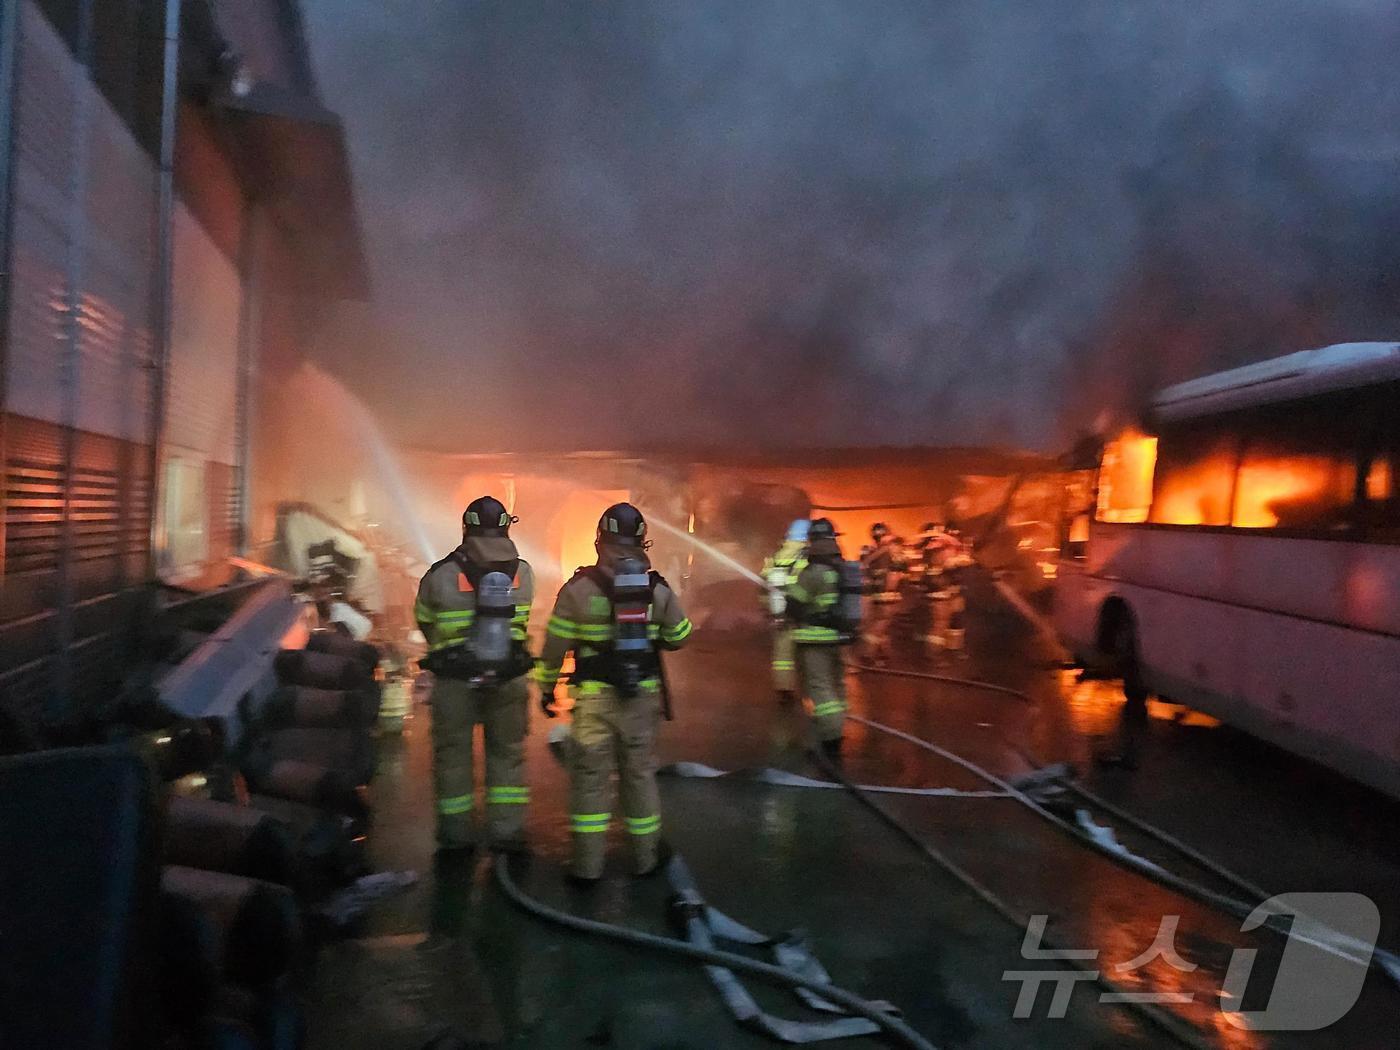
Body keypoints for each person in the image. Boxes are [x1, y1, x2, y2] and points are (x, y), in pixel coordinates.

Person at [533, 503, 692, 882]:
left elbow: (555, 646)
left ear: (599, 541)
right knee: (638, 775)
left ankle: (587, 868)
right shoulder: (656, 588)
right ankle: (645, 860)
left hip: (595, 699)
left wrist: (546, 686)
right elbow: (680, 637)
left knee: (590, 779)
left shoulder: (578, 589)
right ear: (641, 543)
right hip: (642, 697)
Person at [415, 496, 534, 853]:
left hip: (455, 681)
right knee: (507, 755)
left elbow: (424, 619)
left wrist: (447, 647)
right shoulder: (523, 571)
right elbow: (524, 618)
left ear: (465, 527)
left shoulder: (440, 573)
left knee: (453, 757)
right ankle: (507, 832)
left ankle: (455, 836)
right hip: (509, 677)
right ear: (505, 526)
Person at [784, 517, 848, 760]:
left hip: (814, 640)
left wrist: (788, 603)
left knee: (821, 691)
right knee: (836, 687)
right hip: (837, 638)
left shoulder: (812, 572)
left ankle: (830, 741)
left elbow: (795, 604)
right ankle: (836, 730)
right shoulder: (840, 567)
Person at [760, 519, 810, 704]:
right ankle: (808, 691)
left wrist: (768, 609)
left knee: (783, 655)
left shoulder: (775, 556)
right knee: (806, 652)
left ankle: (784, 689)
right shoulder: (805, 556)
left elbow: (764, 585)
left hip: (779, 612)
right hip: (800, 612)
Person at [859, 522, 906, 666]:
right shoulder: (894, 553)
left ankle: (885, 655)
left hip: (872, 595)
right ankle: (868, 654)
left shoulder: (868, 552)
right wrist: (892, 591)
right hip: (888, 595)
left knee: (881, 627)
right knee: (881, 625)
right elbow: (895, 575)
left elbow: (864, 571)